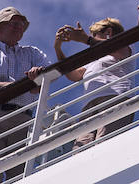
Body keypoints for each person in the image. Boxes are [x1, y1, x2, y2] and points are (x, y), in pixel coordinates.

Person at [0, 7, 49, 183]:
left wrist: (38, 77)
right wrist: (25, 84)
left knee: (21, 175)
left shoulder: (32, 53)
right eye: (13, 23)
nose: (19, 27)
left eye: (21, 24)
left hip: (23, 118)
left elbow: (47, 78)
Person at [54, 18, 134, 149]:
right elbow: (73, 75)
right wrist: (58, 48)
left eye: (94, 35)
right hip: (89, 106)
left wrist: (85, 39)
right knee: (80, 150)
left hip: (114, 98)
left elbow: (120, 51)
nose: (92, 39)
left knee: (105, 146)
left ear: (108, 32)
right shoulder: (94, 59)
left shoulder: (124, 45)